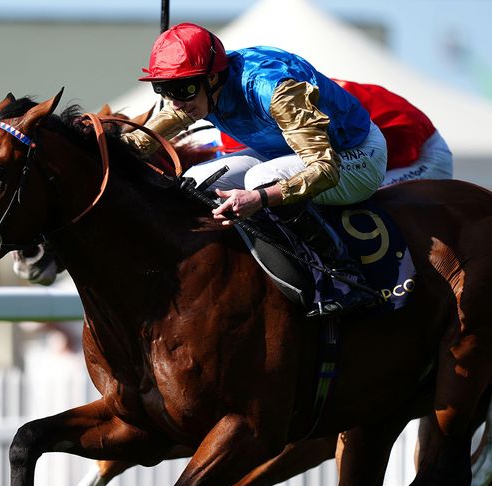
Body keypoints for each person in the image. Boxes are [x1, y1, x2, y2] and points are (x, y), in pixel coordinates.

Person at [122, 22, 387, 316]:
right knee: (195, 181)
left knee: (260, 180)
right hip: (285, 153)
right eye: (165, 90)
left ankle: (344, 274)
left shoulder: (274, 90)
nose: (175, 103)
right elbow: (140, 142)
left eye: (182, 89)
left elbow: (324, 169)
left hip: (352, 155)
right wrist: (95, 143)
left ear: (212, 78)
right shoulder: (198, 90)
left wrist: (260, 199)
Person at [332, 79, 453, 187]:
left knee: (365, 194)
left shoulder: (334, 97)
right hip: (410, 145)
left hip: (423, 156)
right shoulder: (327, 91)